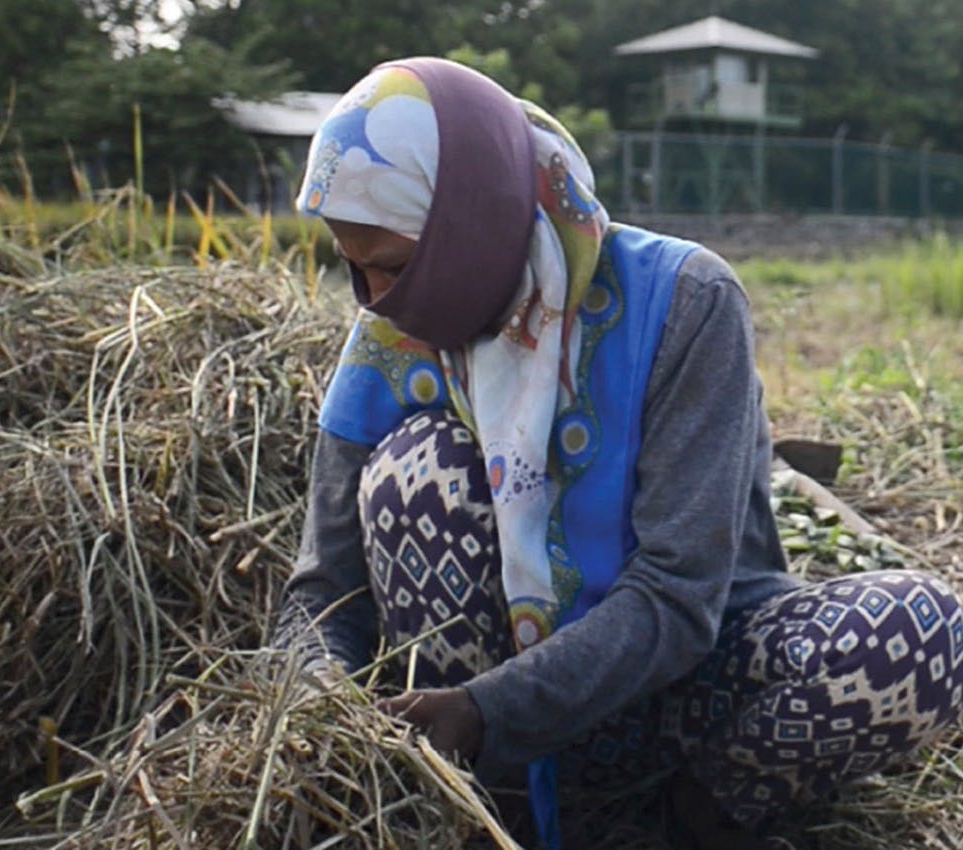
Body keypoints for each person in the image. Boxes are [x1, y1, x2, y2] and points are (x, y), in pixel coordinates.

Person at [270, 57, 963, 850]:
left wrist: (491, 711)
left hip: (682, 693)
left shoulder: (683, 302)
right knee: (417, 470)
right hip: (479, 736)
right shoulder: (387, 341)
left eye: (394, 267)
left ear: (468, 219)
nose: (377, 298)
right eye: (354, 269)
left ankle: (690, 822)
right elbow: (321, 589)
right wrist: (322, 707)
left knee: (924, 628)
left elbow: (678, 592)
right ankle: (492, 819)